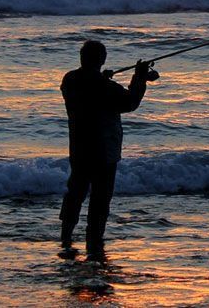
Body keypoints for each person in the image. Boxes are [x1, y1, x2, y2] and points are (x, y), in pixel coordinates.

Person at [59, 40, 159, 257]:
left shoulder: (70, 80)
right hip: (104, 152)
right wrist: (139, 77)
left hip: (79, 149)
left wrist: (102, 76)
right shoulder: (105, 87)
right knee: (100, 200)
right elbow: (129, 102)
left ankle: (65, 237)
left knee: (75, 193)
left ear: (81, 58)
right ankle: (94, 241)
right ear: (102, 60)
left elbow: (89, 88)